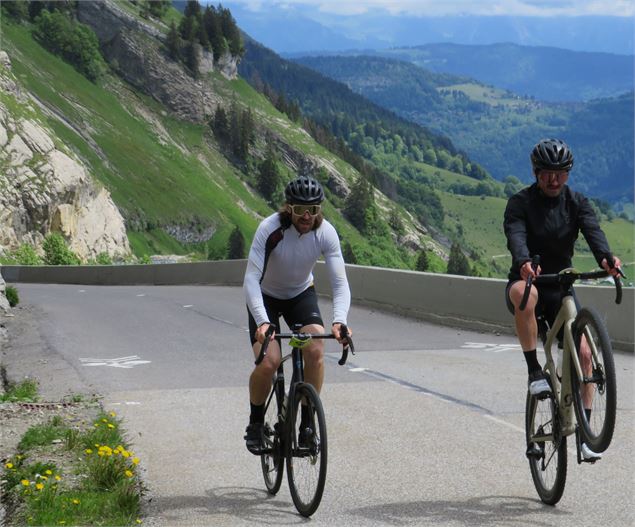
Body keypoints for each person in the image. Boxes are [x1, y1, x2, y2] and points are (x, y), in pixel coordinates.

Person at [503, 138, 622, 461]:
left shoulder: (577, 202)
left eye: (560, 173)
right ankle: (534, 374)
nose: (554, 180)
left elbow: (594, 232)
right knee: (523, 297)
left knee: (584, 353)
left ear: (568, 174)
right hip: (529, 281)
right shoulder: (520, 203)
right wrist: (525, 261)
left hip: (561, 284)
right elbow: (515, 235)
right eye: (546, 174)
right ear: (535, 173)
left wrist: (606, 259)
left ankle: (585, 431)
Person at [242, 175, 352, 454]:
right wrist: (263, 322)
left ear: (319, 210)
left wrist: (340, 321)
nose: (307, 215)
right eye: (300, 209)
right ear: (288, 208)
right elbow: (251, 280)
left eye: (313, 209)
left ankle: (306, 424)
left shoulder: (325, 232)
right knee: (269, 363)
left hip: (300, 294)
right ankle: (255, 423)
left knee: (315, 348)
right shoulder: (270, 229)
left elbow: (340, 283)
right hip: (265, 297)